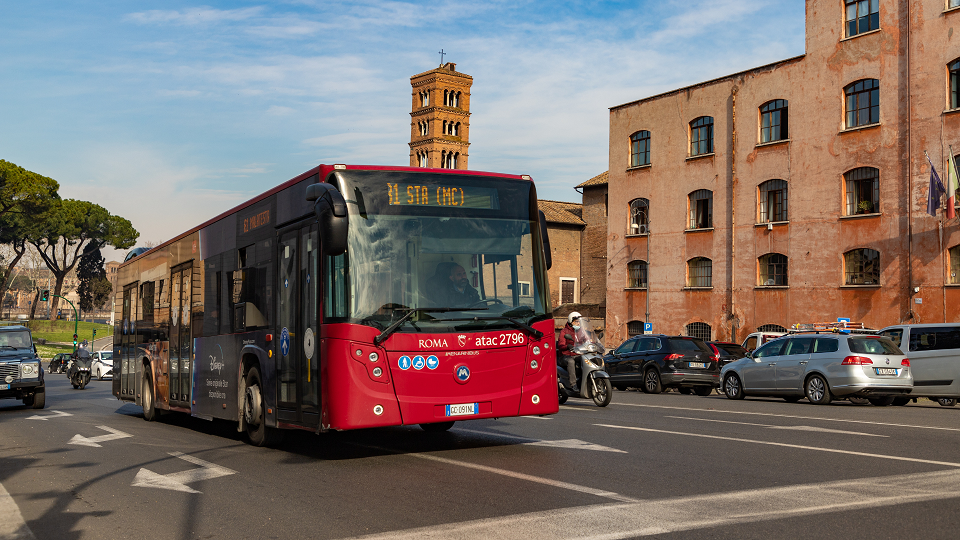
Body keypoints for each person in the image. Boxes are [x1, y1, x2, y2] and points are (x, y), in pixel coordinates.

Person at [558, 311, 589, 392]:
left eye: (579, 322)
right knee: (571, 362)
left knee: (586, 359)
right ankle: (573, 384)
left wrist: (593, 344)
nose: (578, 323)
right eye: (576, 321)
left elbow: (587, 339)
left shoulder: (581, 331)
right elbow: (561, 344)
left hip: (577, 354)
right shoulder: (564, 331)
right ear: (571, 322)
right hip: (565, 355)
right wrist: (567, 346)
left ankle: (584, 381)